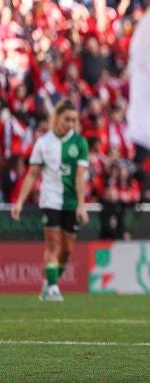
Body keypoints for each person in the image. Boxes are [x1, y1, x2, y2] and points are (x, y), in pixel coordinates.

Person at [11, 100, 90, 302]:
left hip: (71, 202)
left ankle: (48, 282)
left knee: (67, 250)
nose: (70, 124)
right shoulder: (44, 143)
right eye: (67, 119)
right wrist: (20, 201)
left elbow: (80, 176)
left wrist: (81, 205)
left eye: (74, 120)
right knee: (53, 244)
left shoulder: (80, 143)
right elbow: (32, 174)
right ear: (57, 118)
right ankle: (54, 287)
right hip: (50, 199)